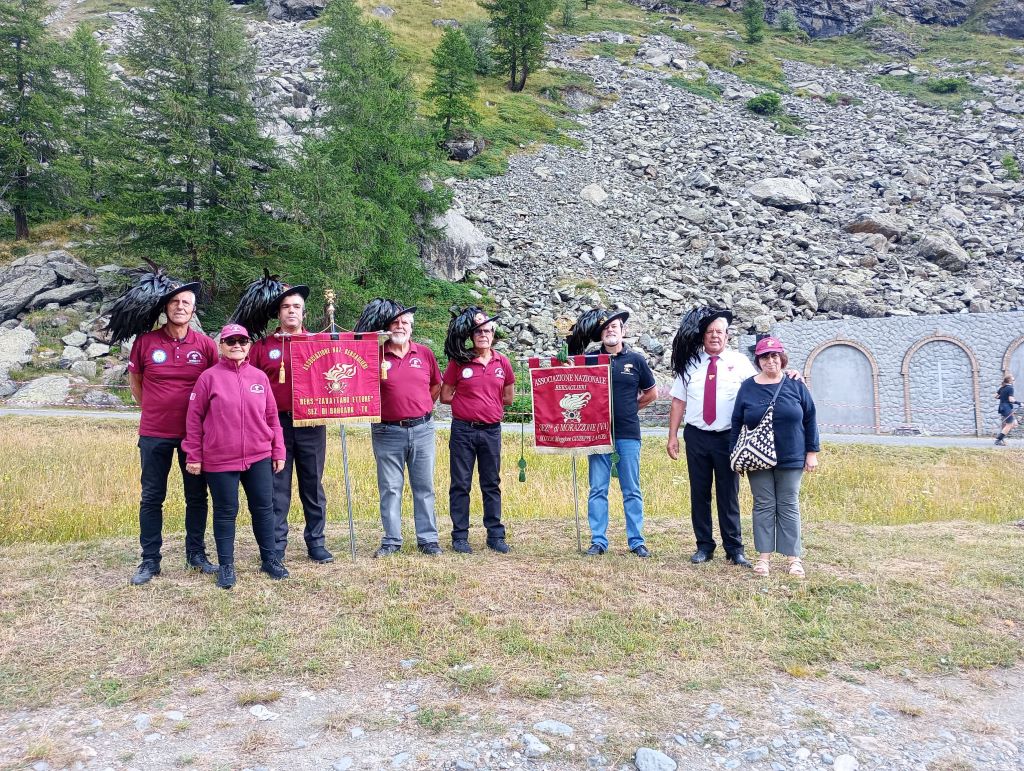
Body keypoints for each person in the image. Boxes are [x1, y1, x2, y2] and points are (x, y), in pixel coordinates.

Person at [109, 269, 218, 586]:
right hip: (154, 433)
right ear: (165, 307)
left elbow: (216, 386)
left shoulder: (206, 345)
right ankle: (150, 560)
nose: (180, 306)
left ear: (193, 310)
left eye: (186, 302)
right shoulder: (145, 342)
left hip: (193, 436)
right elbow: (136, 383)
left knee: (196, 498)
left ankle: (196, 555)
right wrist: (156, 409)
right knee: (152, 497)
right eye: (174, 302)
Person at [182, 324, 286, 589]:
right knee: (226, 512)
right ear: (221, 346)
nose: (237, 345)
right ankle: (226, 566)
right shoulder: (208, 378)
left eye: (242, 340)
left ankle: (270, 560)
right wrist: (194, 454)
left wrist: (278, 450)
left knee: (264, 508)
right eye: (231, 341)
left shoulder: (259, 377)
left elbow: (272, 417)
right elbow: (194, 419)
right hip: (220, 459)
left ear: (249, 345)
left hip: (259, 455)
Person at [238, 276, 333, 566]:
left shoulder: (318, 343)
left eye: (297, 307)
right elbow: (247, 384)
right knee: (276, 488)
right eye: (286, 307)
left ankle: (316, 542)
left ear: (304, 313)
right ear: (278, 313)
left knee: (312, 485)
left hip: (311, 422)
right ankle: (276, 545)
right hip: (274, 425)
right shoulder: (261, 347)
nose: (291, 311)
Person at [667, 308, 756, 567]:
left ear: (727, 336)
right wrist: (672, 436)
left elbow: (758, 389)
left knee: (728, 494)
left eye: (719, 332)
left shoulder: (740, 362)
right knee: (699, 493)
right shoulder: (690, 362)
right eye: (710, 332)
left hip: (728, 437)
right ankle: (704, 546)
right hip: (696, 436)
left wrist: (787, 374)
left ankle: (734, 549)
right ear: (703, 335)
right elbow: (678, 401)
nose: (715, 336)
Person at [354, 298, 443, 557]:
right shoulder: (374, 355)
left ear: (411, 327)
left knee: (424, 487)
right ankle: (392, 540)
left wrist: (421, 407)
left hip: (422, 430)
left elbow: (435, 386)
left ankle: (428, 539)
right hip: (387, 431)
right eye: (395, 322)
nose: (400, 326)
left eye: (405, 322)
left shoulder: (424, 353)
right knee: (390, 488)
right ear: (386, 326)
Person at [567, 308, 657, 558]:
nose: (610, 330)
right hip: (597, 434)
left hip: (628, 433)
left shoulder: (636, 360)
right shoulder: (590, 359)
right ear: (601, 333)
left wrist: (629, 409)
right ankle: (598, 540)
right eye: (606, 327)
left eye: (614, 326)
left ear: (623, 331)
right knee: (598, 489)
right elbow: (569, 380)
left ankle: (636, 541)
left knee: (632, 489)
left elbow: (651, 393)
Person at [729, 336, 819, 578]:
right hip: (756, 457)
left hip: (791, 455)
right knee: (763, 505)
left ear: (782, 358)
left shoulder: (795, 384)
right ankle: (764, 558)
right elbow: (736, 421)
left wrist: (811, 453)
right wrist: (734, 454)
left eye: (774, 356)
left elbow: (810, 417)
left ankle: (793, 559)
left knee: (788, 504)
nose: (770, 361)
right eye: (765, 357)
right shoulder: (748, 387)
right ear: (758, 360)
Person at [441, 307, 515, 554]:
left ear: (493, 334)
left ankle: (495, 535)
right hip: (463, 431)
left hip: (491, 431)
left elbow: (508, 397)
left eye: (487, 331)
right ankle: (460, 537)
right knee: (460, 484)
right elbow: (445, 395)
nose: (483, 335)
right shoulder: (459, 361)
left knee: (491, 483)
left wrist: (487, 404)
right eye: (478, 332)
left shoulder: (502, 361)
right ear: (471, 336)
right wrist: (469, 403)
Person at [995, 374, 1019, 446]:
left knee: (1014, 423)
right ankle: (999, 440)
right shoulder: (1010, 388)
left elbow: (996, 396)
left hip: (1002, 407)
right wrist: (1019, 403)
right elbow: (1011, 399)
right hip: (1006, 408)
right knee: (1009, 424)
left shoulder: (1002, 387)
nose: (1014, 381)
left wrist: (1003, 397)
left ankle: (1001, 436)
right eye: (1013, 380)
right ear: (1009, 381)